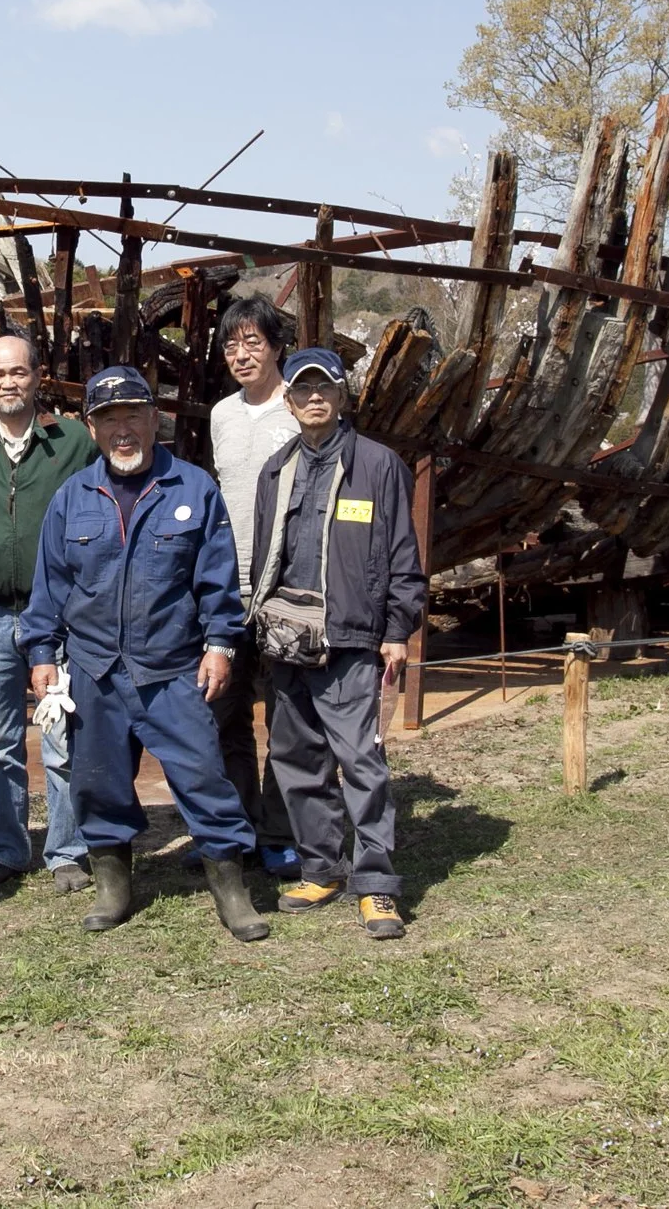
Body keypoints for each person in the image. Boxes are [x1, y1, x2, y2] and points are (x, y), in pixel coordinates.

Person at [20, 365, 269, 943]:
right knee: (98, 781)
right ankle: (114, 885)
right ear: (92, 427)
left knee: (204, 777)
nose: (123, 428)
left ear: (155, 419)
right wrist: (42, 654)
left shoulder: (193, 488)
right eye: (109, 417)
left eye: (134, 414)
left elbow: (217, 580)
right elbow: (50, 586)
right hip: (94, 668)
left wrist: (221, 644)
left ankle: (231, 890)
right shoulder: (72, 497)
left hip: (173, 667)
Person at [245, 348, 425, 940]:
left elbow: (403, 552)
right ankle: (321, 867)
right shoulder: (277, 469)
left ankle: (376, 886)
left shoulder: (378, 466)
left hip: (351, 641)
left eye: (325, 389)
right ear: (290, 401)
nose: (314, 398)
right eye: (303, 390)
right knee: (296, 762)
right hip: (288, 641)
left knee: (361, 763)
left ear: (343, 397)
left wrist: (398, 629)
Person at [0, 331, 98, 895]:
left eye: (19, 373)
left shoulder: (74, 442)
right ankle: (6, 849)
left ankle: (67, 852)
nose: (9, 383)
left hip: (55, 618)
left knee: (60, 737)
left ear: (38, 378)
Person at [204, 294, 309, 878]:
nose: (241, 355)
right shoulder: (221, 414)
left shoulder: (299, 408)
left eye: (253, 343)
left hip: (286, 584)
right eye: (231, 346)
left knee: (289, 717)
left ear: (275, 347)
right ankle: (236, 830)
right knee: (227, 715)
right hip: (230, 584)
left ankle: (279, 831)